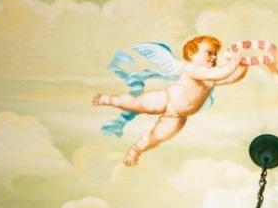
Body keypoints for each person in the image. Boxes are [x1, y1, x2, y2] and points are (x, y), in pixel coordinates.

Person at [93, 35, 247, 165]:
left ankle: (136, 150)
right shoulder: (192, 69)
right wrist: (234, 63)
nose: (213, 57)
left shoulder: (209, 76)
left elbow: (229, 78)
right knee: (134, 104)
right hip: (165, 100)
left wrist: (242, 67)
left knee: (158, 136)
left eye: (215, 54)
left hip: (177, 115)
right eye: (209, 53)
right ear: (191, 54)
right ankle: (109, 100)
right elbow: (221, 73)